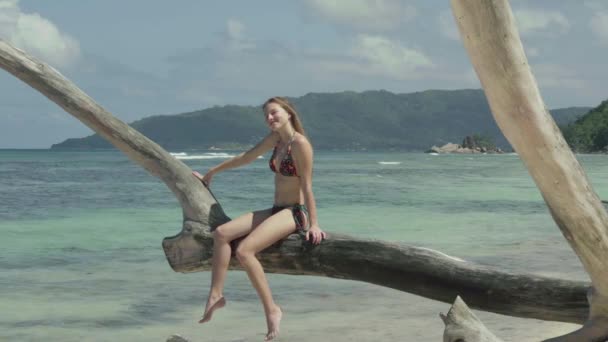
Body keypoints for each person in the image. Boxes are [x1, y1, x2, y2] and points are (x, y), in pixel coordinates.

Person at [192, 96, 326, 341]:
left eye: (274, 113)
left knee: (244, 251)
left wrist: (314, 224)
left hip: (295, 213)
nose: (270, 118)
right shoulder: (276, 140)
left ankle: (271, 310)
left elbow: (307, 186)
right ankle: (215, 295)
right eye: (266, 116)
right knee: (221, 234)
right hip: (277, 209)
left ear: (288, 113)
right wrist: (212, 172)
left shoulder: (300, 144)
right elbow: (246, 157)